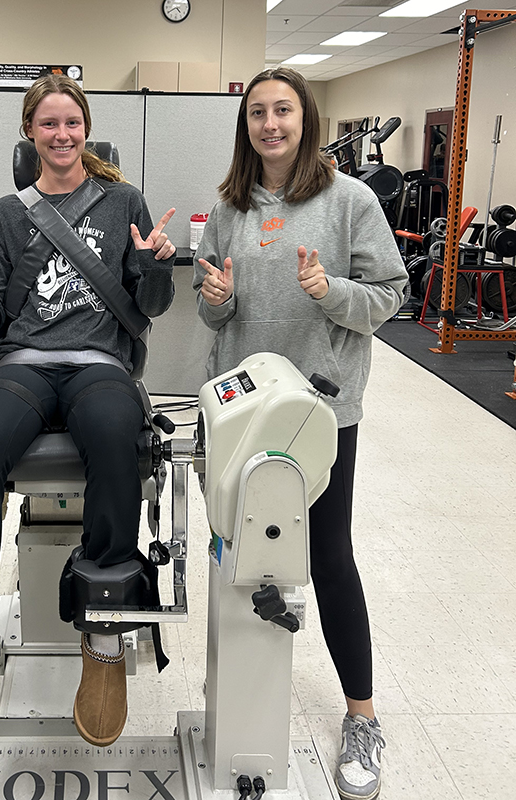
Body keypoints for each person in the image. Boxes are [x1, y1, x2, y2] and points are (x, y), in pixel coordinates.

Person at [0, 74, 176, 791]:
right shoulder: (5, 215)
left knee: (119, 436)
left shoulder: (122, 200)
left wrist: (155, 266)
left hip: (98, 363)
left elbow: (149, 305)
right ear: (29, 134)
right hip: (25, 365)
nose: (62, 136)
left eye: (73, 124)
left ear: (86, 131)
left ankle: (102, 631)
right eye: (48, 125)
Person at [193, 67, 407, 800]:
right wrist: (215, 299)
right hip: (243, 413)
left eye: (283, 110)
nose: (270, 124)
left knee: (329, 556)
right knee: (240, 549)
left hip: (321, 412)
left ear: (305, 118)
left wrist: (332, 291)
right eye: (258, 112)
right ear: (245, 124)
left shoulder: (351, 202)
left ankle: (362, 716)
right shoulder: (229, 208)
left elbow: (390, 295)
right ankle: (237, 689)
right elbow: (212, 308)